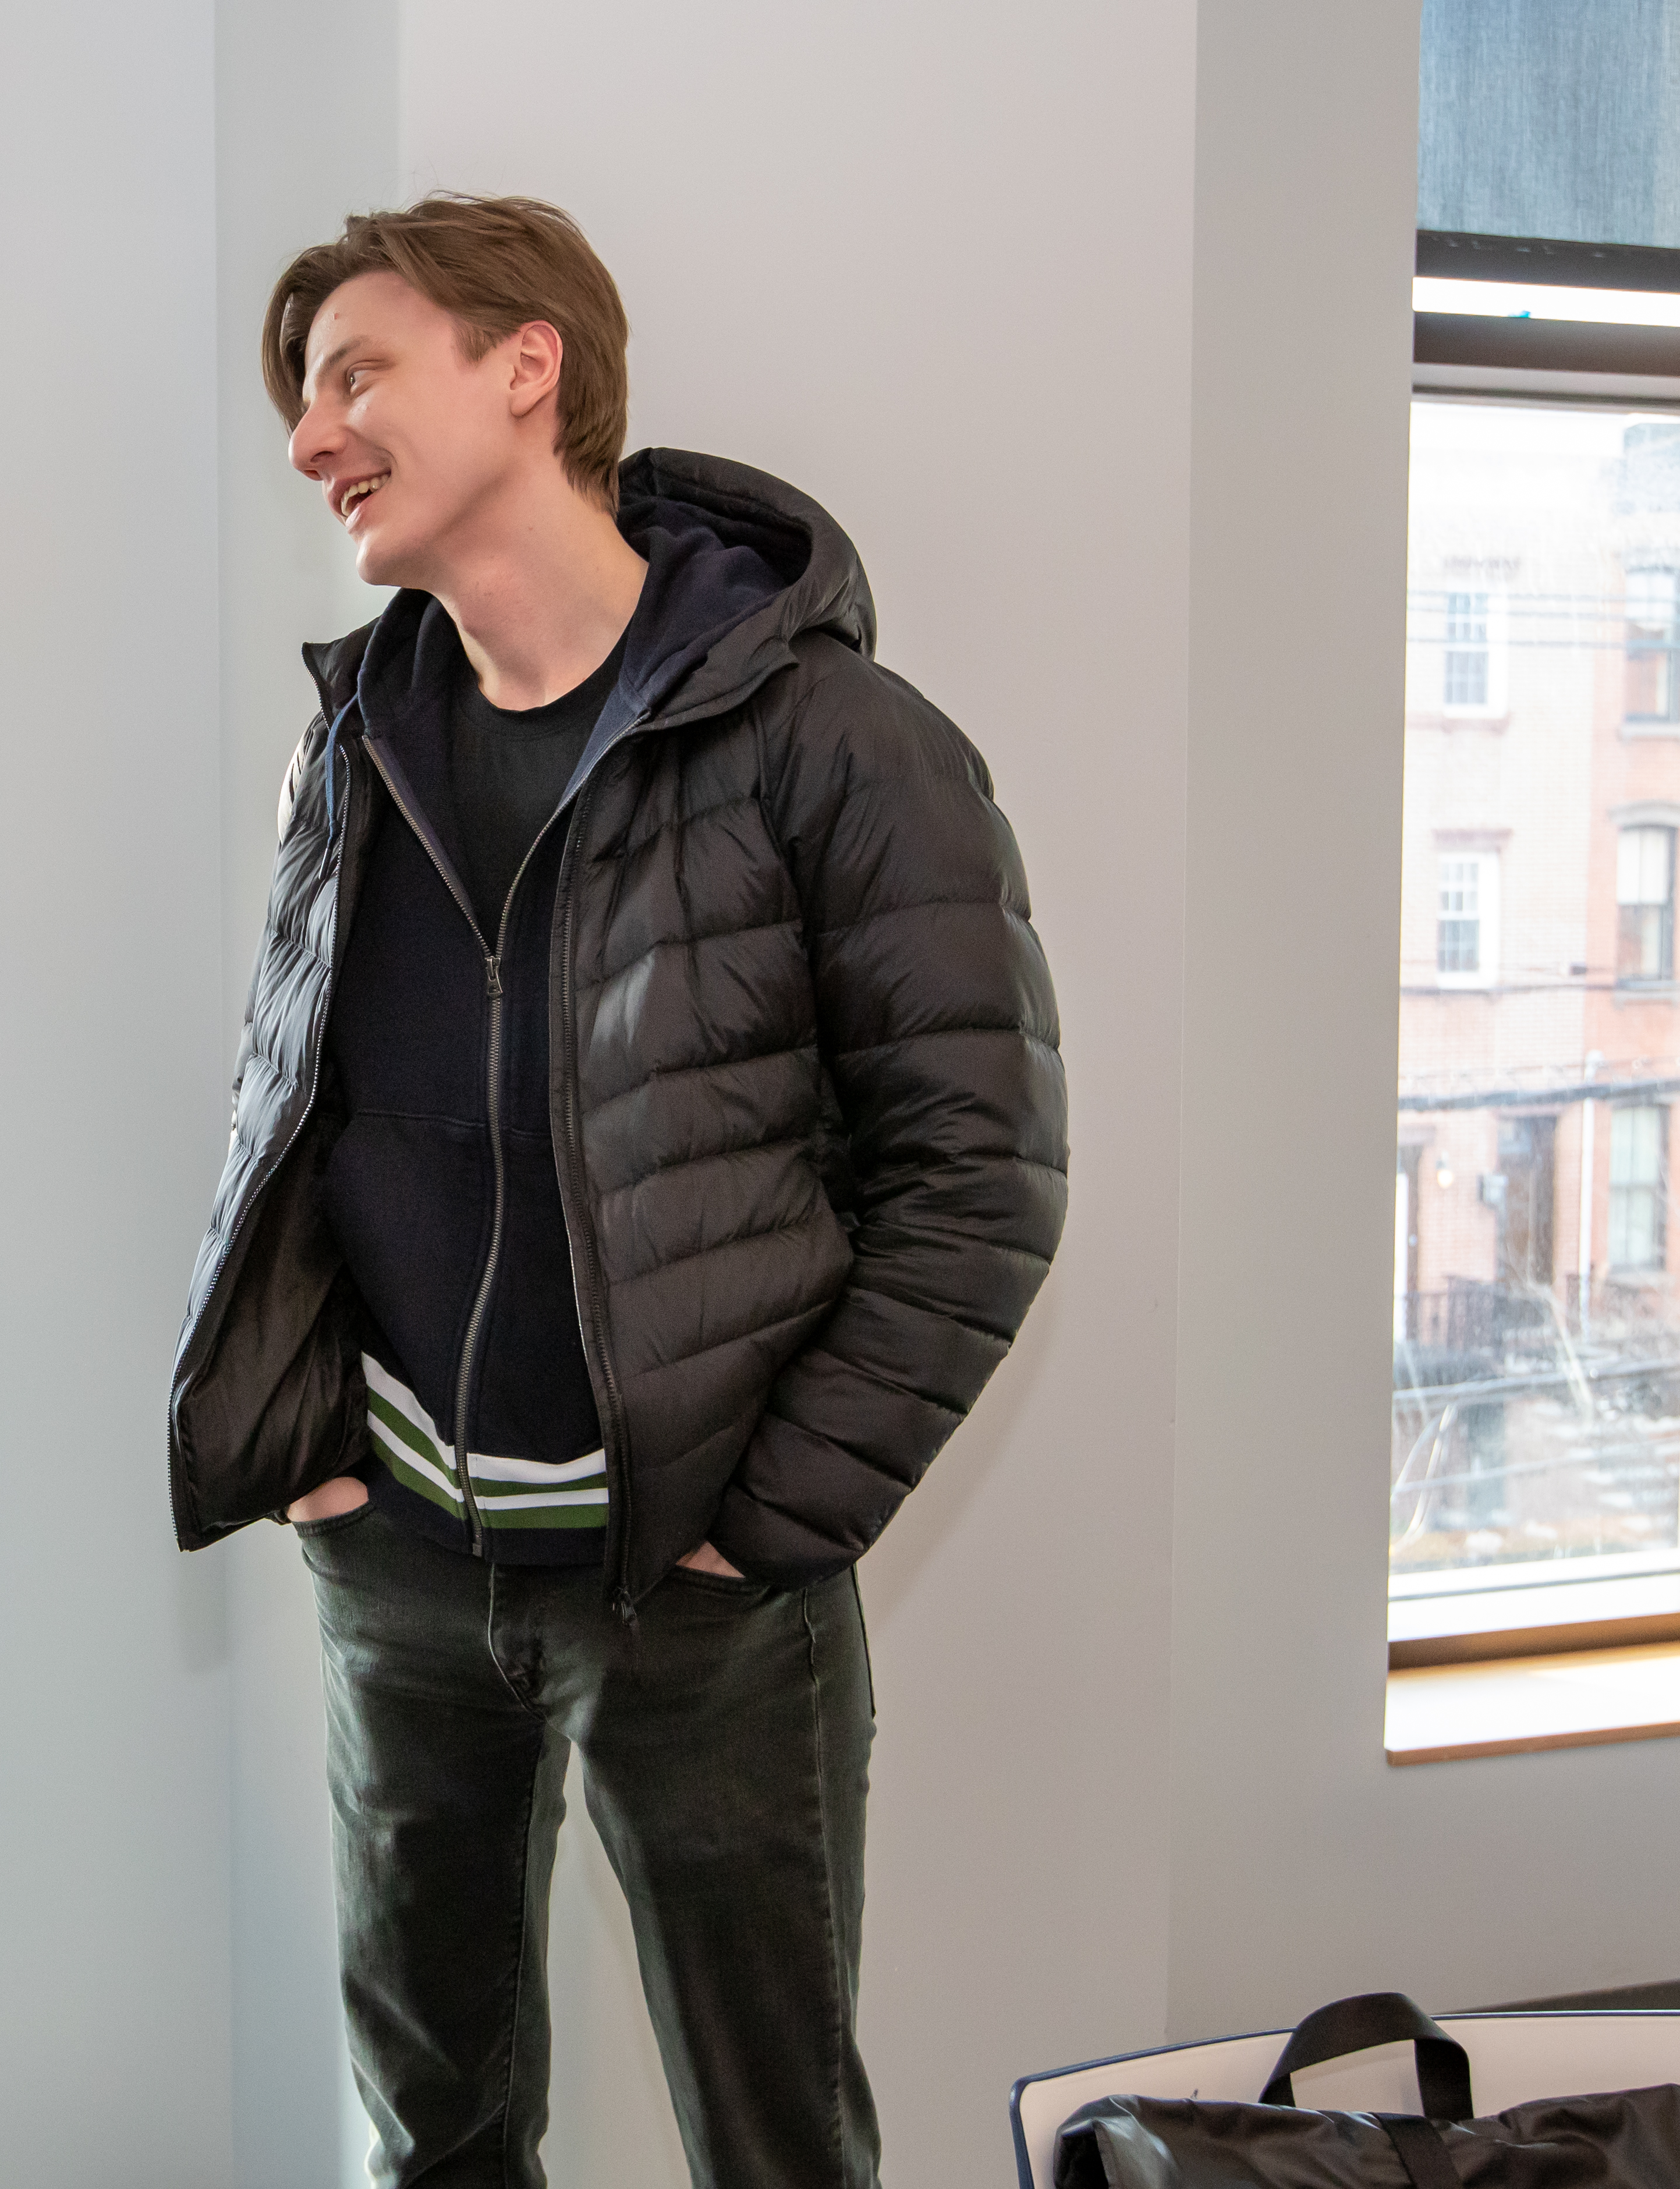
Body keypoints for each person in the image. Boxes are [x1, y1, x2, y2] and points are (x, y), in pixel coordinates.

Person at [168, 197, 1067, 2188]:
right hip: (403, 1562)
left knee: (773, 2142)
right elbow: (293, 1103)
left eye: (354, 376)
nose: (310, 439)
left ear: (527, 366)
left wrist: (768, 1524)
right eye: (303, 403)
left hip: (699, 1591)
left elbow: (979, 1175)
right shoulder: (354, 742)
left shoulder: (837, 743)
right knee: (434, 2133)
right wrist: (317, 1451)